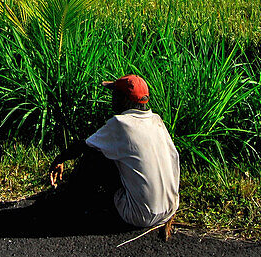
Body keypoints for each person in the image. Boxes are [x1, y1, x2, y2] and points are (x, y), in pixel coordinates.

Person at [47, 74, 180, 231]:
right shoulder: (157, 121)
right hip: (170, 208)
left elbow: (85, 146)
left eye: (114, 95)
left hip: (138, 216)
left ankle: (69, 200)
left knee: (95, 155)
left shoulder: (121, 123)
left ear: (123, 100)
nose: (112, 100)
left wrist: (59, 159)